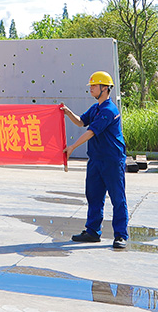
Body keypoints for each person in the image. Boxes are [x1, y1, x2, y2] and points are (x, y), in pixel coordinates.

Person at [61, 71, 129, 250]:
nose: (91, 88)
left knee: (117, 198)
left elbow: (91, 132)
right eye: (91, 85)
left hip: (112, 160)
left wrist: (72, 148)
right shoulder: (96, 108)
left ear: (105, 88)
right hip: (96, 159)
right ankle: (92, 231)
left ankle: (120, 235)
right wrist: (68, 112)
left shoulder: (109, 110)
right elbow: (81, 122)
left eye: (94, 85)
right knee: (94, 196)